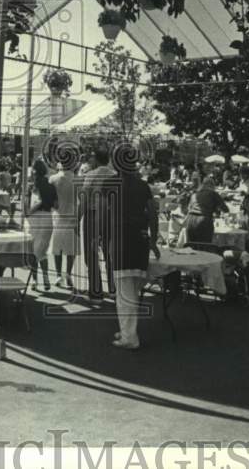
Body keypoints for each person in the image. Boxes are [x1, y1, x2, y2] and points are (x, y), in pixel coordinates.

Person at [110, 145, 160, 350]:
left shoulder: (111, 184)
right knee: (132, 289)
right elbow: (153, 215)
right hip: (140, 240)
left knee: (124, 292)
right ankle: (127, 330)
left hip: (121, 240)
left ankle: (130, 337)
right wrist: (154, 240)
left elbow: (105, 214)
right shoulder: (143, 185)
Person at [78, 146, 116, 300]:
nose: (90, 160)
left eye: (92, 157)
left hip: (93, 215)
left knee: (91, 254)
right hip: (111, 216)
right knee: (110, 253)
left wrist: (77, 218)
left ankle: (96, 291)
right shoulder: (114, 174)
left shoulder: (91, 175)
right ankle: (113, 289)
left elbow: (85, 199)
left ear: (97, 159)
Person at [26, 159, 58, 292]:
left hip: (35, 219)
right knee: (42, 252)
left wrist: (29, 211)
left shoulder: (32, 186)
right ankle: (45, 278)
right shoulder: (51, 185)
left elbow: (30, 206)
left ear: (34, 171)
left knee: (32, 251)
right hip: (47, 218)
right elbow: (56, 205)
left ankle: (34, 280)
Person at [48, 154, 79, 290]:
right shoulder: (77, 179)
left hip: (57, 215)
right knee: (70, 248)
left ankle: (59, 275)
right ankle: (68, 274)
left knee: (57, 247)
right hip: (72, 214)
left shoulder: (53, 178)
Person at [182, 177, 229, 243]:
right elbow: (225, 209)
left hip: (190, 220)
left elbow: (189, 208)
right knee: (205, 246)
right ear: (212, 185)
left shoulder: (195, 194)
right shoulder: (213, 194)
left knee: (191, 246)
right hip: (204, 220)